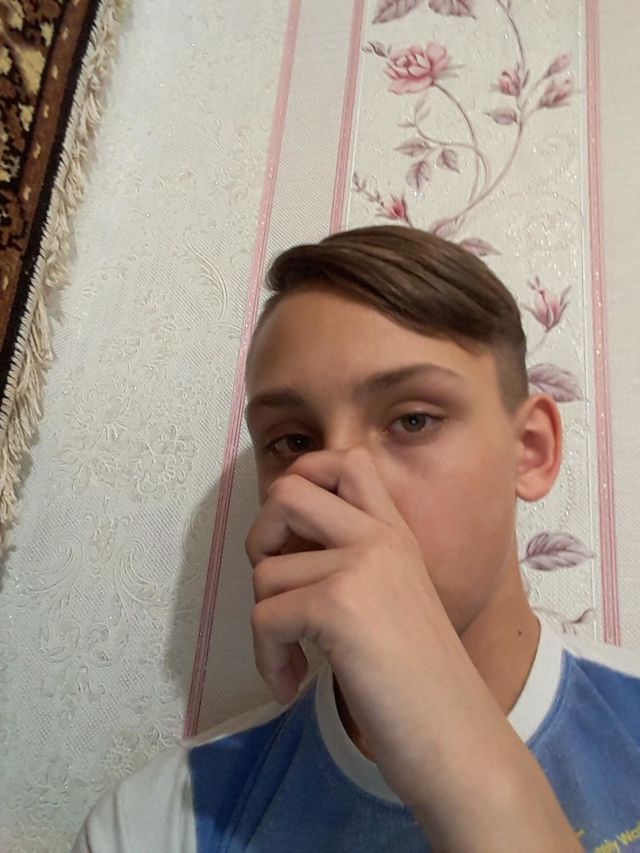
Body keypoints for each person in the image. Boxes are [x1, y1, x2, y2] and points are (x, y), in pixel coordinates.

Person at [73, 226, 640, 852]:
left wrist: (459, 750)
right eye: (293, 441)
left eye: (413, 420)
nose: (336, 484)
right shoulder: (154, 823)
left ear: (530, 451)